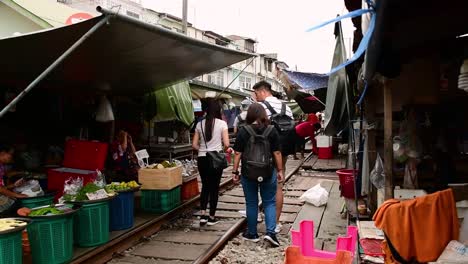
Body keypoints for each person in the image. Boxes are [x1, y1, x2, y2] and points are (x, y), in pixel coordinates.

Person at [232, 103, 284, 247]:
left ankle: (252, 233)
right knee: (269, 202)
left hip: (248, 172)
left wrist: (235, 171)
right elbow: (277, 153)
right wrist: (280, 170)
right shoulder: (272, 130)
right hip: (268, 172)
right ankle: (270, 233)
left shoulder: (244, 131)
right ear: (263, 115)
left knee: (251, 202)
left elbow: (237, 153)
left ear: (249, 115)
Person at [252, 80, 293, 233]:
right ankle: (274, 222)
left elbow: (253, 129)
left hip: (264, 151)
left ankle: (256, 214)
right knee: (278, 185)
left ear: (262, 91)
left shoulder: (260, 107)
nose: (255, 97)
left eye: (255, 94)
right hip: (283, 151)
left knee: (257, 181)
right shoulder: (286, 107)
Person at [192, 99, 231, 226]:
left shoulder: (199, 124)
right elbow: (226, 144)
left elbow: (194, 145)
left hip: (202, 158)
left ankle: (202, 216)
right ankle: (211, 217)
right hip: (215, 159)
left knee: (205, 186)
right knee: (214, 188)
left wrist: (203, 149)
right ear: (218, 110)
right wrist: (220, 151)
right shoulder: (222, 124)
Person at [0, 145, 27, 216]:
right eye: (11, 154)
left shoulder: (1, 165)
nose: (11, 157)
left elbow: (2, 187)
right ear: (3, 153)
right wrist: (16, 195)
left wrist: (14, 185)